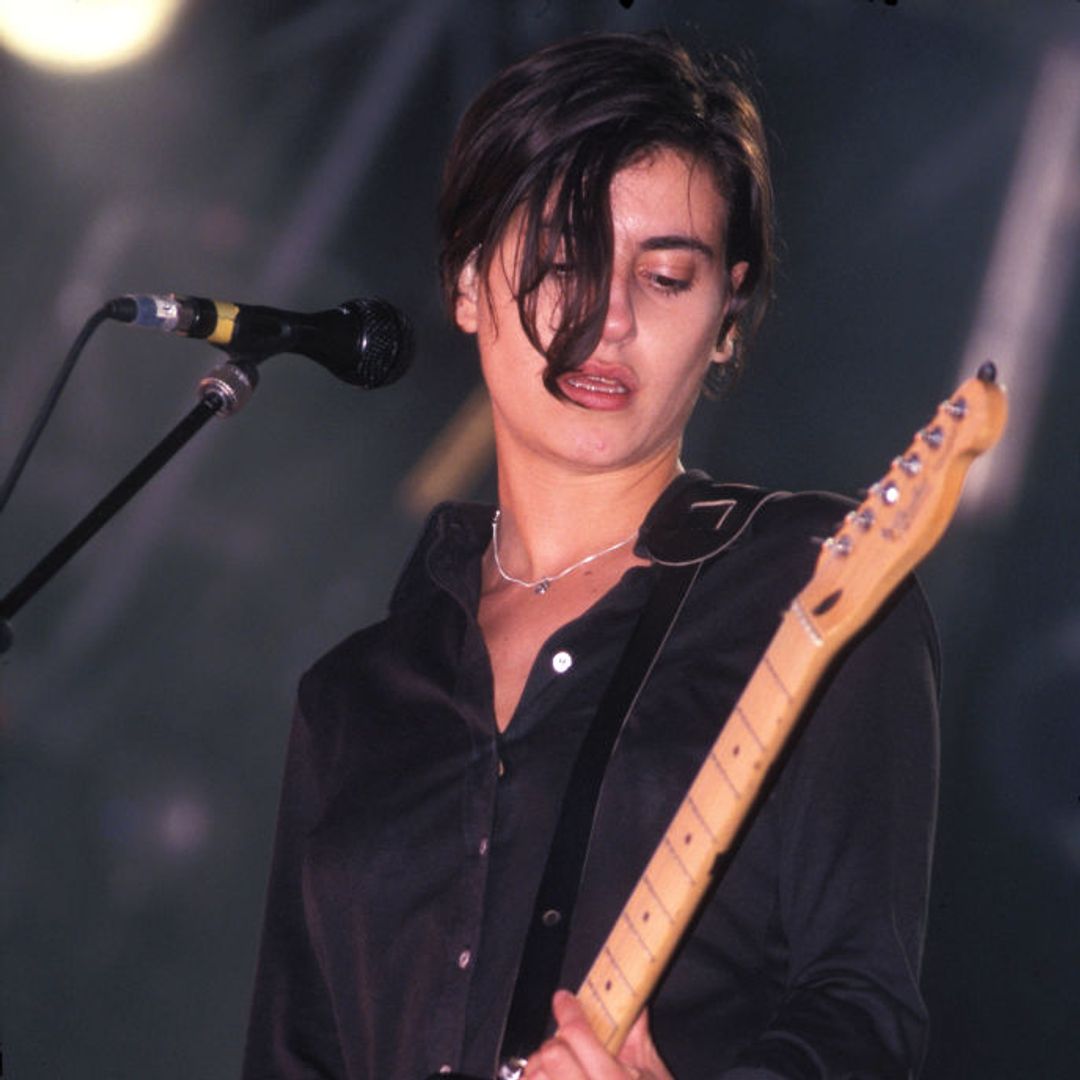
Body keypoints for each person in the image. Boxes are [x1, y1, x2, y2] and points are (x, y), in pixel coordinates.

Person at [242, 31, 939, 1080]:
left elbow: (865, 1009)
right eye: (564, 263)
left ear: (725, 320)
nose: (608, 320)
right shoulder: (355, 699)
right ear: (469, 283)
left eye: (665, 278)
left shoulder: (810, 582)